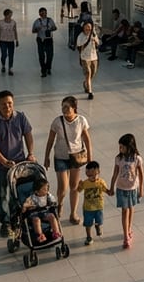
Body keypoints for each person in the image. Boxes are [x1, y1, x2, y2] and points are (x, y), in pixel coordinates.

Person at [0, 91, 35, 238]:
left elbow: (28, 135)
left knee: (16, 193)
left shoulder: (21, 117)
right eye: (4, 104)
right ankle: (5, 222)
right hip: (0, 166)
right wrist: (3, 160)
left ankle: (15, 218)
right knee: (2, 194)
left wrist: (30, 153)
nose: (7, 106)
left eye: (10, 103)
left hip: (19, 164)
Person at [43, 96, 93, 226]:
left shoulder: (81, 120)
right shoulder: (57, 122)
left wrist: (90, 158)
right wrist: (47, 156)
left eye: (67, 107)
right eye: (62, 106)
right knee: (63, 187)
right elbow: (50, 140)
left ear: (74, 108)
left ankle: (73, 213)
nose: (64, 109)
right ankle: (59, 204)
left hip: (76, 157)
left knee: (74, 187)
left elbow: (87, 139)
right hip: (60, 156)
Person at [107, 133, 144, 249]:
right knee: (124, 211)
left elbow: (142, 174)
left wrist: (141, 188)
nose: (120, 149)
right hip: (121, 188)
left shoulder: (137, 159)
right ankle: (125, 236)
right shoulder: (119, 158)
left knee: (131, 208)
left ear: (130, 147)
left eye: (122, 147)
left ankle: (129, 228)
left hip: (133, 188)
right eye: (119, 147)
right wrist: (112, 187)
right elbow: (115, 174)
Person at [76, 161, 108, 245]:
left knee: (99, 220)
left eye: (95, 175)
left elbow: (106, 190)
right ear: (86, 174)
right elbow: (78, 190)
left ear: (98, 172)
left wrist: (110, 192)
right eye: (90, 175)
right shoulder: (85, 183)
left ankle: (98, 226)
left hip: (99, 207)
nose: (93, 177)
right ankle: (89, 237)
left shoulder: (101, 182)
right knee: (88, 224)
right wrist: (79, 185)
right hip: (88, 208)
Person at [22, 178, 62, 243]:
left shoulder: (48, 195)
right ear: (36, 191)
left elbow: (53, 201)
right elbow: (25, 206)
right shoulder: (31, 198)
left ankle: (56, 232)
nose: (46, 190)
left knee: (52, 216)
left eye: (47, 188)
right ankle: (40, 235)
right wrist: (25, 206)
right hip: (34, 213)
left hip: (44, 212)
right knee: (36, 220)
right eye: (44, 189)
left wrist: (53, 203)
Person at [75, 20, 99, 99]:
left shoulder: (93, 35)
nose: (88, 29)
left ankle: (86, 83)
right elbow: (79, 48)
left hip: (94, 57)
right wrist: (87, 41)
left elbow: (98, 44)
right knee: (88, 73)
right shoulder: (80, 36)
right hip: (85, 58)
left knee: (93, 72)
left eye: (89, 27)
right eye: (86, 27)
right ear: (83, 28)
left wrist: (95, 40)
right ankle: (90, 92)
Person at [31, 7, 57, 77]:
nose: (44, 14)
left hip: (48, 39)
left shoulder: (50, 20)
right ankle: (43, 70)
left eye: (45, 13)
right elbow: (33, 31)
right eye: (42, 13)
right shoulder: (37, 21)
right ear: (39, 13)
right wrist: (38, 29)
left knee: (50, 55)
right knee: (41, 56)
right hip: (40, 40)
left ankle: (48, 67)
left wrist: (50, 29)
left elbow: (55, 28)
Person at [0, 8, 18, 75]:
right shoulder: (1, 22)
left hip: (11, 41)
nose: (10, 16)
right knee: (4, 54)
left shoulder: (13, 22)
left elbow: (15, 31)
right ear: (6, 15)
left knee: (11, 55)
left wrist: (17, 40)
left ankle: (10, 68)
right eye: (9, 15)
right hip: (3, 41)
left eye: (11, 15)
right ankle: (3, 65)